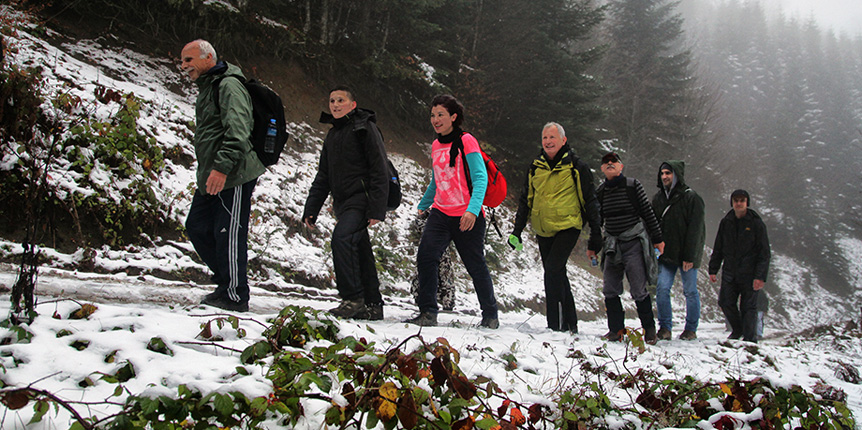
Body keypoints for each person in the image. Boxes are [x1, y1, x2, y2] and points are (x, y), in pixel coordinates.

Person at [181, 40, 265, 312]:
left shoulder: (228, 85)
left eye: (188, 60)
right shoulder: (208, 87)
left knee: (228, 233)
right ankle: (227, 282)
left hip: (234, 172)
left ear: (207, 58)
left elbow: (238, 132)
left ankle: (235, 295)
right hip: (213, 172)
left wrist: (222, 168)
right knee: (197, 226)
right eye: (182, 61)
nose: (184, 66)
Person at [405, 94, 499, 328]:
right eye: (433, 115)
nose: (435, 120)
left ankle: (490, 315)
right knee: (426, 256)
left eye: (441, 115)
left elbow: (480, 177)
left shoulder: (467, 141)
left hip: (467, 215)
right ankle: (428, 311)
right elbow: (437, 179)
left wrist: (473, 210)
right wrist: (423, 205)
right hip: (440, 213)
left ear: (453, 117)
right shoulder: (436, 145)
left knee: (475, 265)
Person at [303, 86, 389, 320]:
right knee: (360, 249)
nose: (335, 104)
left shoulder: (365, 128)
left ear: (353, 104)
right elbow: (323, 175)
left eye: (341, 100)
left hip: (363, 199)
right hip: (343, 202)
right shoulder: (333, 134)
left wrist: (377, 209)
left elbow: (380, 168)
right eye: (332, 100)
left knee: (342, 238)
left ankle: (353, 299)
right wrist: (311, 208)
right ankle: (373, 304)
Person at [508, 122, 602, 333]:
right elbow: (526, 200)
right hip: (543, 228)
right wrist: (517, 230)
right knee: (557, 272)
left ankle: (554, 325)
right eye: (544, 138)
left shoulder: (577, 166)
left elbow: (590, 200)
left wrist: (596, 233)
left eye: (552, 137)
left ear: (563, 140)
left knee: (552, 270)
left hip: (568, 226)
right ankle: (571, 323)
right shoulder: (535, 167)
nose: (548, 142)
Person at [594, 152, 664, 344]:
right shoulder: (600, 192)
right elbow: (596, 221)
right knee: (609, 288)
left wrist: (658, 239)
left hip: (634, 242)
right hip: (611, 244)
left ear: (621, 166)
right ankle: (616, 330)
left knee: (639, 289)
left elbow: (647, 212)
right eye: (606, 163)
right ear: (602, 169)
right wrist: (593, 246)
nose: (609, 164)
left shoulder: (633, 186)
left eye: (613, 162)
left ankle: (649, 330)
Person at [651, 161, 706, 341]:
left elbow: (696, 230)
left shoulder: (692, 198)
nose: (665, 176)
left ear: (677, 174)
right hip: (666, 254)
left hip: (687, 254)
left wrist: (690, 255)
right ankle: (665, 328)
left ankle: (691, 329)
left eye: (669, 173)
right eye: (662, 173)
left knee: (690, 291)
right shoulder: (658, 199)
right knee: (662, 288)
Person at [708, 189, 771, 343]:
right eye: (736, 200)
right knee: (725, 302)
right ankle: (737, 330)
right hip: (730, 271)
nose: (739, 203)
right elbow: (718, 247)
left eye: (742, 200)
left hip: (750, 273)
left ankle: (749, 339)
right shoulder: (726, 222)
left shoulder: (756, 223)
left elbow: (764, 252)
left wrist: (760, 276)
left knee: (748, 307)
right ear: (732, 203)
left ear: (747, 203)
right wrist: (713, 269)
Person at [409, 211, 457, 311]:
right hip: (438, 217)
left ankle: (438, 301)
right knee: (438, 267)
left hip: (442, 217)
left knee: (440, 267)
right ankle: (439, 301)